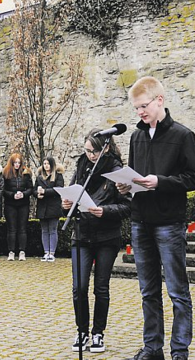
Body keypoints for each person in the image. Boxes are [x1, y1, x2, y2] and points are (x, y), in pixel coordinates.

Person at [117, 76, 195, 360]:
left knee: (177, 291)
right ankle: (153, 348)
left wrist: (160, 182)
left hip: (169, 223)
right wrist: (126, 185)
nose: (140, 112)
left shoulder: (183, 135)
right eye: (136, 108)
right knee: (147, 291)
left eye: (144, 106)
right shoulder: (136, 137)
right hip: (140, 220)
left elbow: (193, 178)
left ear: (160, 101)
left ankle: (179, 351)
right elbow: (136, 175)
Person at [63, 129, 131, 353]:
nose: (90, 155)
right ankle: (81, 331)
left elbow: (127, 206)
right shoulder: (82, 165)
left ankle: (98, 334)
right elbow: (73, 191)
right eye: (87, 150)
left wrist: (105, 211)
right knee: (79, 288)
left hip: (106, 237)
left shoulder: (116, 170)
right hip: (81, 234)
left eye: (93, 151)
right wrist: (67, 205)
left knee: (101, 288)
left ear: (106, 148)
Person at [2, 153, 34, 261]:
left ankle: (22, 251)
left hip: (23, 204)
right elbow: (3, 190)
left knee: (22, 228)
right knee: (11, 229)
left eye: (18, 163)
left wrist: (23, 194)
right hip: (10, 204)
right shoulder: (6, 174)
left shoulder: (26, 174)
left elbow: (31, 189)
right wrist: (12, 195)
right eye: (15, 163)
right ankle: (11, 251)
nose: (17, 165)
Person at [35, 156, 64, 262]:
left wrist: (45, 192)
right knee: (44, 230)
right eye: (44, 163)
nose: (46, 165)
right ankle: (46, 252)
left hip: (53, 207)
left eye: (48, 163)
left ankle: (52, 253)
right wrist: (37, 194)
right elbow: (34, 190)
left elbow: (59, 190)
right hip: (42, 207)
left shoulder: (58, 176)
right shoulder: (39, 177)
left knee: (52, 230)